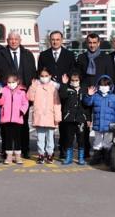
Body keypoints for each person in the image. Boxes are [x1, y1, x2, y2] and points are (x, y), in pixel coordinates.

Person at [0, 32, 37, 157]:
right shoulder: (0, 55)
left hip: (23, 96)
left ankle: (24, 150)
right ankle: (8, 151)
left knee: (23, 124)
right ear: (7, 40)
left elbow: (33, 73)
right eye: (11, 39)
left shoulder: (28, 55)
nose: (14, 41)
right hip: (6, 96)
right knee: (7, 126)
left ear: (20, 40)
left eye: (16, 39)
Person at [37, 30, 76, 159]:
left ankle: (64, 148)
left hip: (63, 91)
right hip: (48, 92)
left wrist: (64, 83)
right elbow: (40, 72)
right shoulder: (43, 55)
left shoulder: (69, 55)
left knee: (64, 121)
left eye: (57, 39)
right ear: (50, 40)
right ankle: (49, 150)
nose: (55, 41)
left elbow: (72, 71)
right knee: (49, 122)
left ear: (62, 40)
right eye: (53, 39)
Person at [75, 32, 105, 157]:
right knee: (84, 125)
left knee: (101, 124)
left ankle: (102, 151)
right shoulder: (81, 58)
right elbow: (78, 76)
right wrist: (83, 91)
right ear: (87, 43)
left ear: (98, 43)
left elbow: (109, 77)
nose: (92, 45)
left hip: (101, 96)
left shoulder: (105, 58)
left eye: (94, 43)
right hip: (86, 95)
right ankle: (85, 150)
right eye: (90, 43)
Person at [83, 75, 115, 165]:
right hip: (98, 123)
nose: (104, 87)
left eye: (106, 85)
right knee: (98, 141)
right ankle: (97, 156)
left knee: (108, 141)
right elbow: (87, 103)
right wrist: (89, 95)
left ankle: (107, 157)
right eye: (102, 85)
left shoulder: (114, 97)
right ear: (98, 86)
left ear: (110, 86)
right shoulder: (95, 96)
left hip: (109, 125)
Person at [27, 67, 62, 164]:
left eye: (46, 76)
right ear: (39, 76)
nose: (44, 78)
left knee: (50, 138)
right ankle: (41, 154)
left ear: (50, 76)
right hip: (39, 117)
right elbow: (30, 97)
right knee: (40, 138)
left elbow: (57, 103)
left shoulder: (53, 88)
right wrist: (32, 87)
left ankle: (50, 154)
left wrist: (57, 117)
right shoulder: (36, 86)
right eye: (42, 76)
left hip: (50, 116)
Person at [0, 74, 29, 164]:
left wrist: (21, 111)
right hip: (6, 119)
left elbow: (25, 103)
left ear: (17, 82)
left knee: (17, 138)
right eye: (9, 82)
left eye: (13, 82)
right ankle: (9, 156)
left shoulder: (22, 91)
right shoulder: (4, 90)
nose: (11, 84)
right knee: (8, 138)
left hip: (17, 119)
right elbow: (0, 102)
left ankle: (18, 156)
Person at [59, 71, 90, 165]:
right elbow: (62, 96)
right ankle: (69, 158)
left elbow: (87, 106)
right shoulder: (67, 89)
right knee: (69, 139)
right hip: (69, 119)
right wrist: (64, 84)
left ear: (79, 80)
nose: (74, 82)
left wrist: (88, 119)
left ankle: (81, 158)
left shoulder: (84, 90)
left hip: (81, 119)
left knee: (81, 139)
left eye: (76, 80)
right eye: (72, 80)